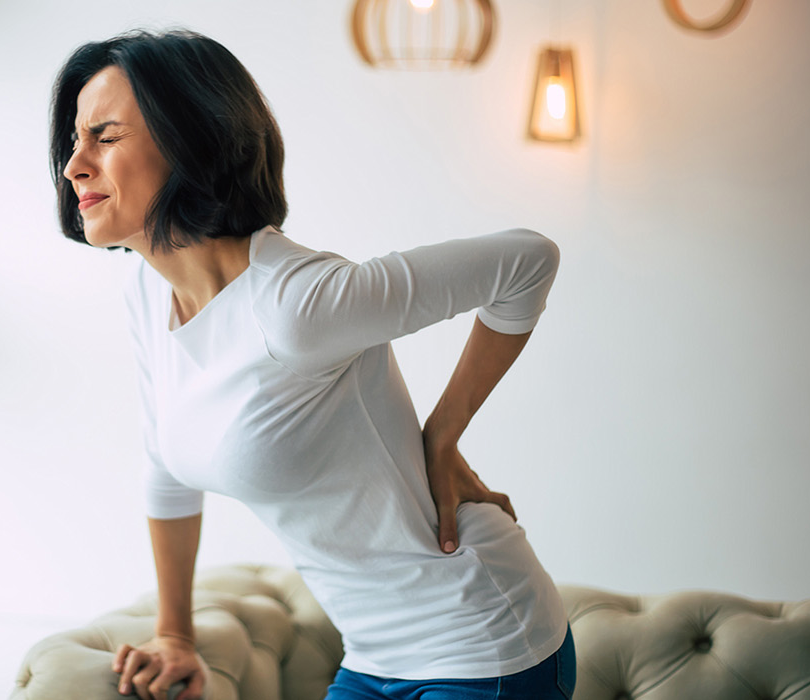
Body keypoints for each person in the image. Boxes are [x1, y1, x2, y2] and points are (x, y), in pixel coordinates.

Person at [50, 28, 574, 700]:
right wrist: (175, 635)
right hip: (372, 655)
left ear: (190, 141)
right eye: (73, 141)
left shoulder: (294, 303)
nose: (75, 166)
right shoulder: (149, 294)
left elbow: (526, 260)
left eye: (105, 135)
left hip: (483, 643)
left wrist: (443, 434)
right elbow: (167, 470)